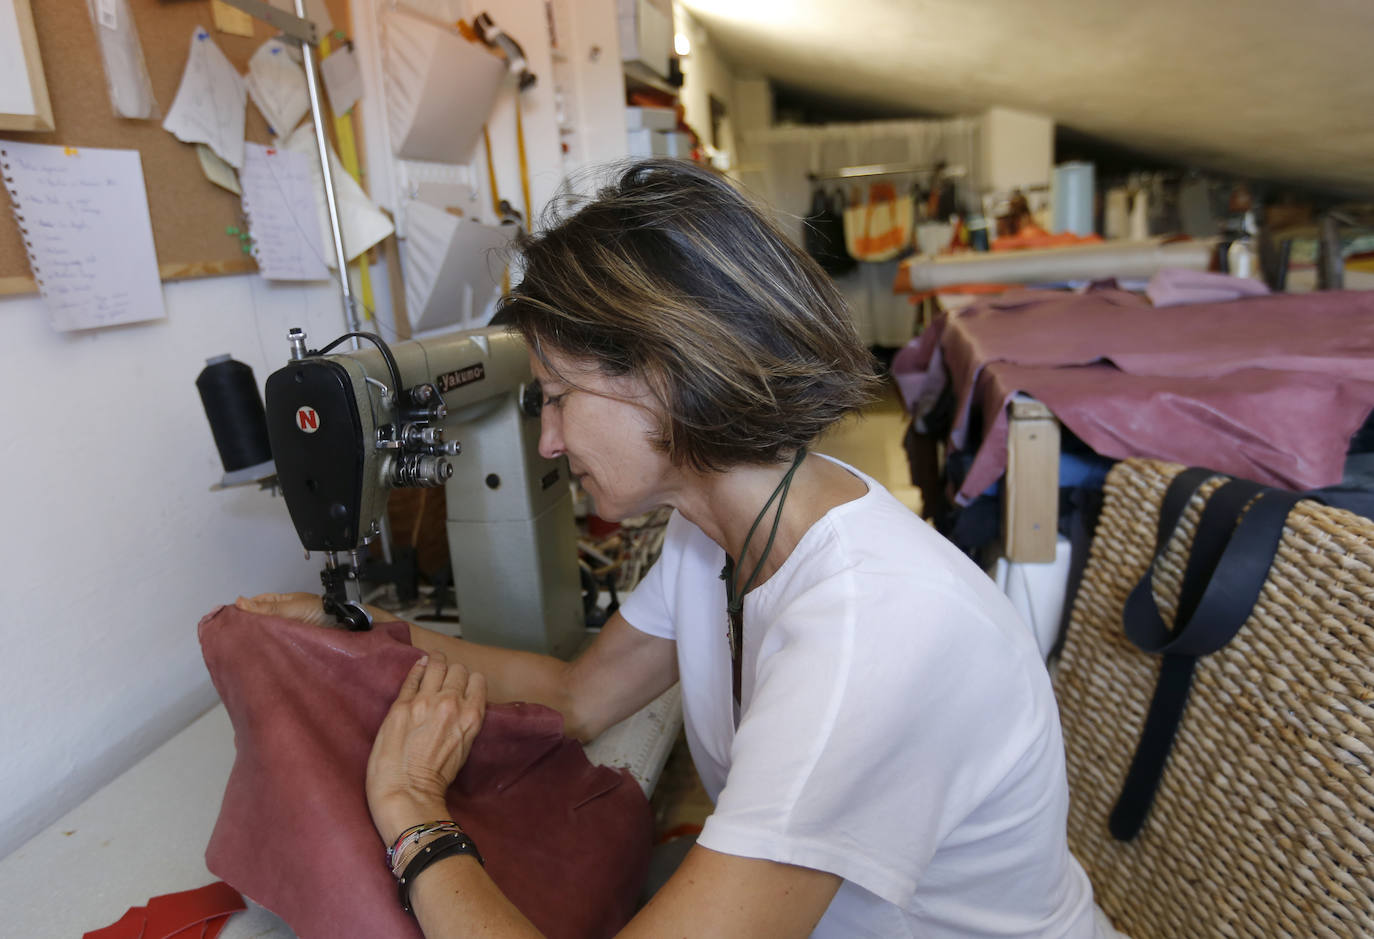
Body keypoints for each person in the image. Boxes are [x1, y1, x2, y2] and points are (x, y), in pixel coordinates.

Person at [242, 158, 1101, 937]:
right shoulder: (719, 528)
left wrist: (413, 813)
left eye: (556, 398)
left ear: (662, 373)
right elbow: (578, 694)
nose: (546, 441)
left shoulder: (870, 629)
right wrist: (359, 629)